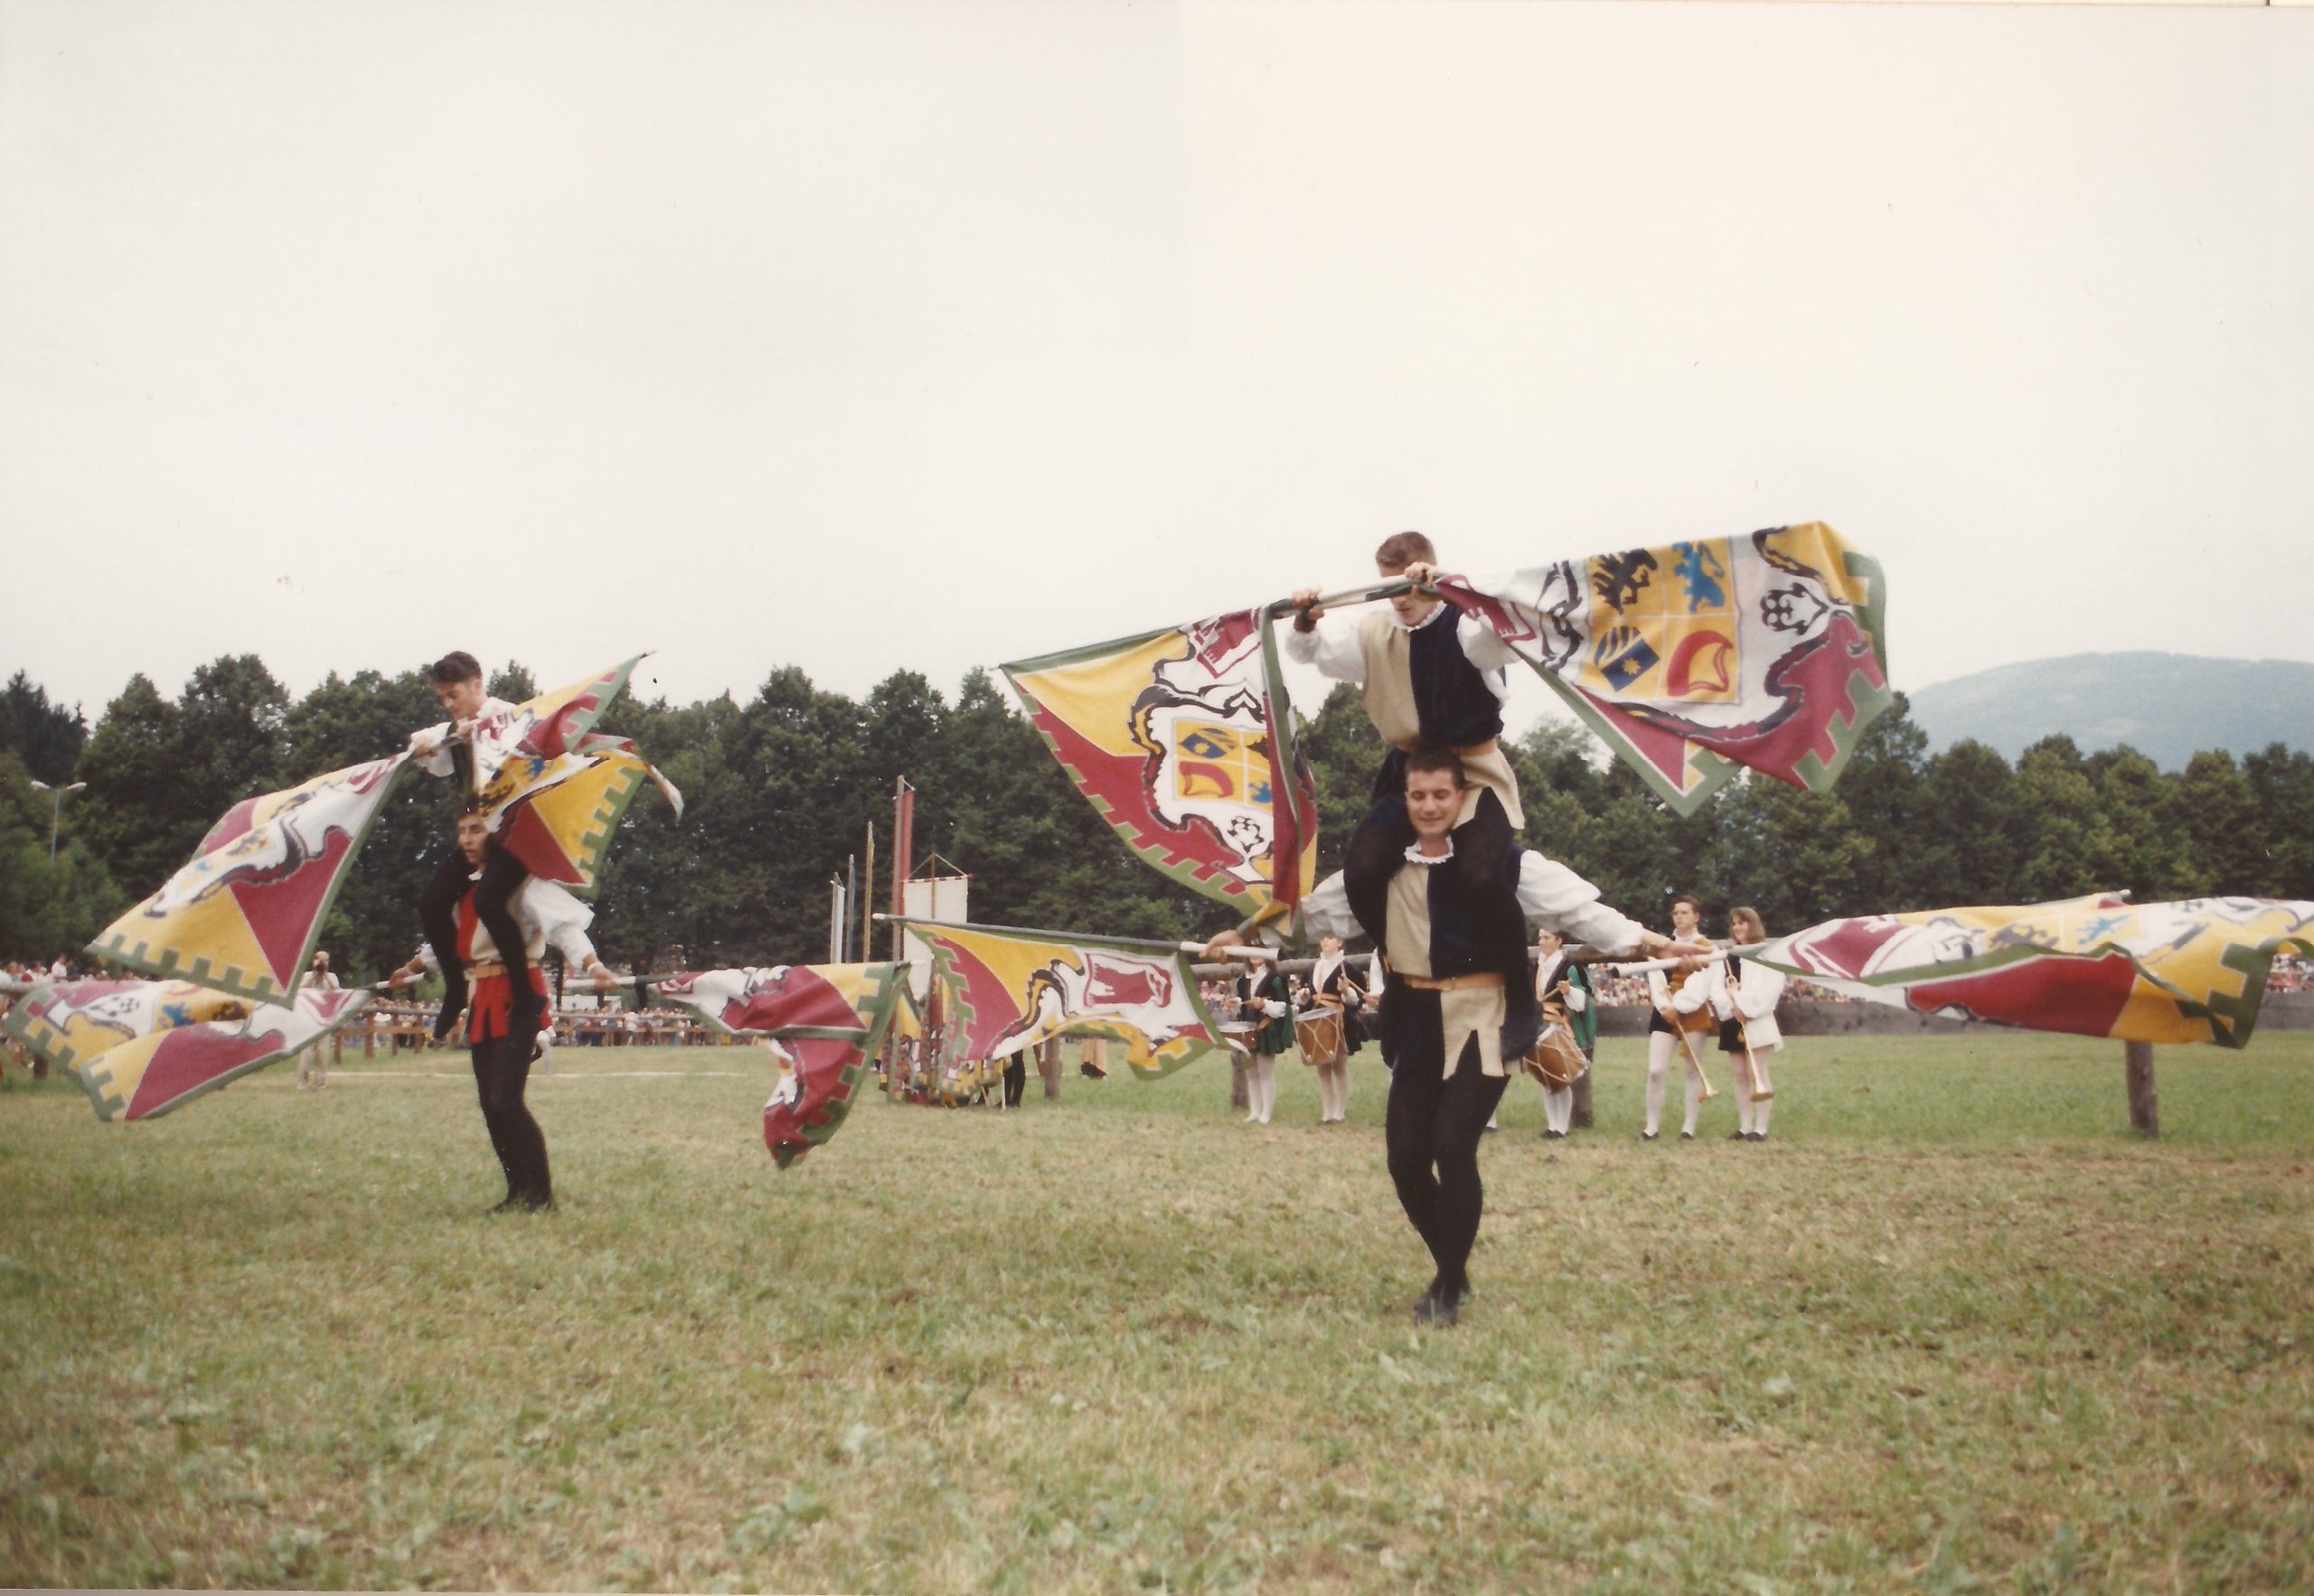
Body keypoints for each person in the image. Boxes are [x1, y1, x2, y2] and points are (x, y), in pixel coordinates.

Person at [1293, 749, 1700, 1326]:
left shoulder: (1505, 864)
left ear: (1461, 798)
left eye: (1440, 795)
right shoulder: (1383, 866)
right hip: (1416, 1019)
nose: (1430, 806)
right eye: (1418, 795)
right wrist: (1243, 926)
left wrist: (1651, 941)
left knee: (1454, 1146)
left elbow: (1581, 912)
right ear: (1403, 801)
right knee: (1405, 1160)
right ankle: (1453, 1270)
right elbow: (1308, 915)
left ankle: (1447, 1289)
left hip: (1483, 1015)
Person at [1283, 531, 1529, 952]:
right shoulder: (1374, 634)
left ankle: (1506, 970)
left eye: (1409, 587)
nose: (1399, 600)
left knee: (1484, 873)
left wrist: (1452, 584)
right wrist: (1306, 619)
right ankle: (1402, 956)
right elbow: (1309, 651)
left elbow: (1509, 636)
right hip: (1408, 774)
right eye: (1390, 587)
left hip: (1472, 773)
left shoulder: (1465, 625)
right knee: (1362, 873)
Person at [384, 810, 616, 1213]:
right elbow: (449, 942)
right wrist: (411, 970)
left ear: (495, 833)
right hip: (481, 997)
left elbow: (565, 929)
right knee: (490, 1103)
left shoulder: (523, 883)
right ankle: (516, 1191)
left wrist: (593, 965)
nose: (466, 840)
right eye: (461, 832)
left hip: (517, 993)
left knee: (506, 1099)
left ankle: (541, 1196)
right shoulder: (466, 890)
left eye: (475, 830)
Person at [409, 652, 540, 1048]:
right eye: (444, 698)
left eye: (455, 695)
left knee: (488, 900)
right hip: (479, 838)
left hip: (516, 834)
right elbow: (428, 749)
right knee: (431, 904)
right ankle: (454, 987)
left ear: (477, 684)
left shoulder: (510, 716)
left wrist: (483, 733)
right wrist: (425, 742)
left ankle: (526, 996)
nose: (450, 704)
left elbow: (529, 743)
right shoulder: (455, 725)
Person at [1642, 894, 1716, 1141]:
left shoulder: (1706, 946)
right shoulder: (1662, 945)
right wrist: (1666, 1007)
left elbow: (1702, 984)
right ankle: (1651, 1127)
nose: (1679, 916)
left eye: (1684, 912)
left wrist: (1680, 1006)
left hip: (1692, 1011)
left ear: (1696, 917)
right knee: (1655, 1070)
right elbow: (1655, 978)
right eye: (1676, 912)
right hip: (1664, 1010)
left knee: (1692, 1070)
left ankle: (1689, 1127)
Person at [1712, 906, 1787, 1142]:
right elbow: (1717, 988)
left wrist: (1744, 1005)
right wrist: (1730, 1006)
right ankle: (1745, 1126)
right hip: (1733, 1018)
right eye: (1733, 924)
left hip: (1756, 1019)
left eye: (1741, 923)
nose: (1737, 928)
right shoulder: (1727, 956)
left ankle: (1761, 1128)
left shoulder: (1766, 955)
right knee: (1739, 1075)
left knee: (1758, 1074)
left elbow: (1770, 991)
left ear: (1752, 925)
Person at [1533, 927, 1595, 1140]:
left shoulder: (1570, 967)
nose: (1541, 942)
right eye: (1540, 938)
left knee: (1560, 1076)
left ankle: (1562, 1127)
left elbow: (1581, 1003)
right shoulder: (1538, 966)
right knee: (1545, 1077)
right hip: (1539, 1026)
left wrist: (1569, 991)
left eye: (1546, 938)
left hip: (1559, 1025)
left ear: (1559, 941)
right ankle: (1552, 1125)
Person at [1302, 933, 1364, 1124]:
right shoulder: (1314, 967)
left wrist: (1346, 991)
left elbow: (1357, 1001)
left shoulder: (1349, 969)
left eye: (1330, 938)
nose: (1325, 941)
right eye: (1322, 938)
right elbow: (1308, 995)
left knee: (1339, 1067)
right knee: (1322, 1069)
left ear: (1340, 942)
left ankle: (1340, 1112)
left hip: (1339, 1020)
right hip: (1317, 1019)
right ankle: (1327, 1113)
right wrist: (1304, 995)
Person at [1236, 953, 1292, 1124]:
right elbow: (1242, 999)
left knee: (1265, 1072)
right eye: (1250, 951)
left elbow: (1284, 1006)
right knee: (1251, 1073)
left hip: (1266, 1028)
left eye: (1259, 951)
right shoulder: (1243, 980)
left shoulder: (1275, 979)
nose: (1255, 956)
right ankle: (1254, 1111)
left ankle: (1266, 1113)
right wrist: (1234, 1002)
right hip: (1247, 1029)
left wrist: (1265, 1005)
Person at [295, 951, 341, 1090]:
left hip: (325, 1018)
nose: (324, 963)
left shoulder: (332, 976)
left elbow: (337, 991)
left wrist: (325, 976)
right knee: (306, 1052)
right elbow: (299, 991)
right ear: (314, 961)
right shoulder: (306, 976)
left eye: (326, 960)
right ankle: (302, 1083)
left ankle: (320, 1083)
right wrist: (314, 976)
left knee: (322, 1051)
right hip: (309, 1018)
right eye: (322, 960)